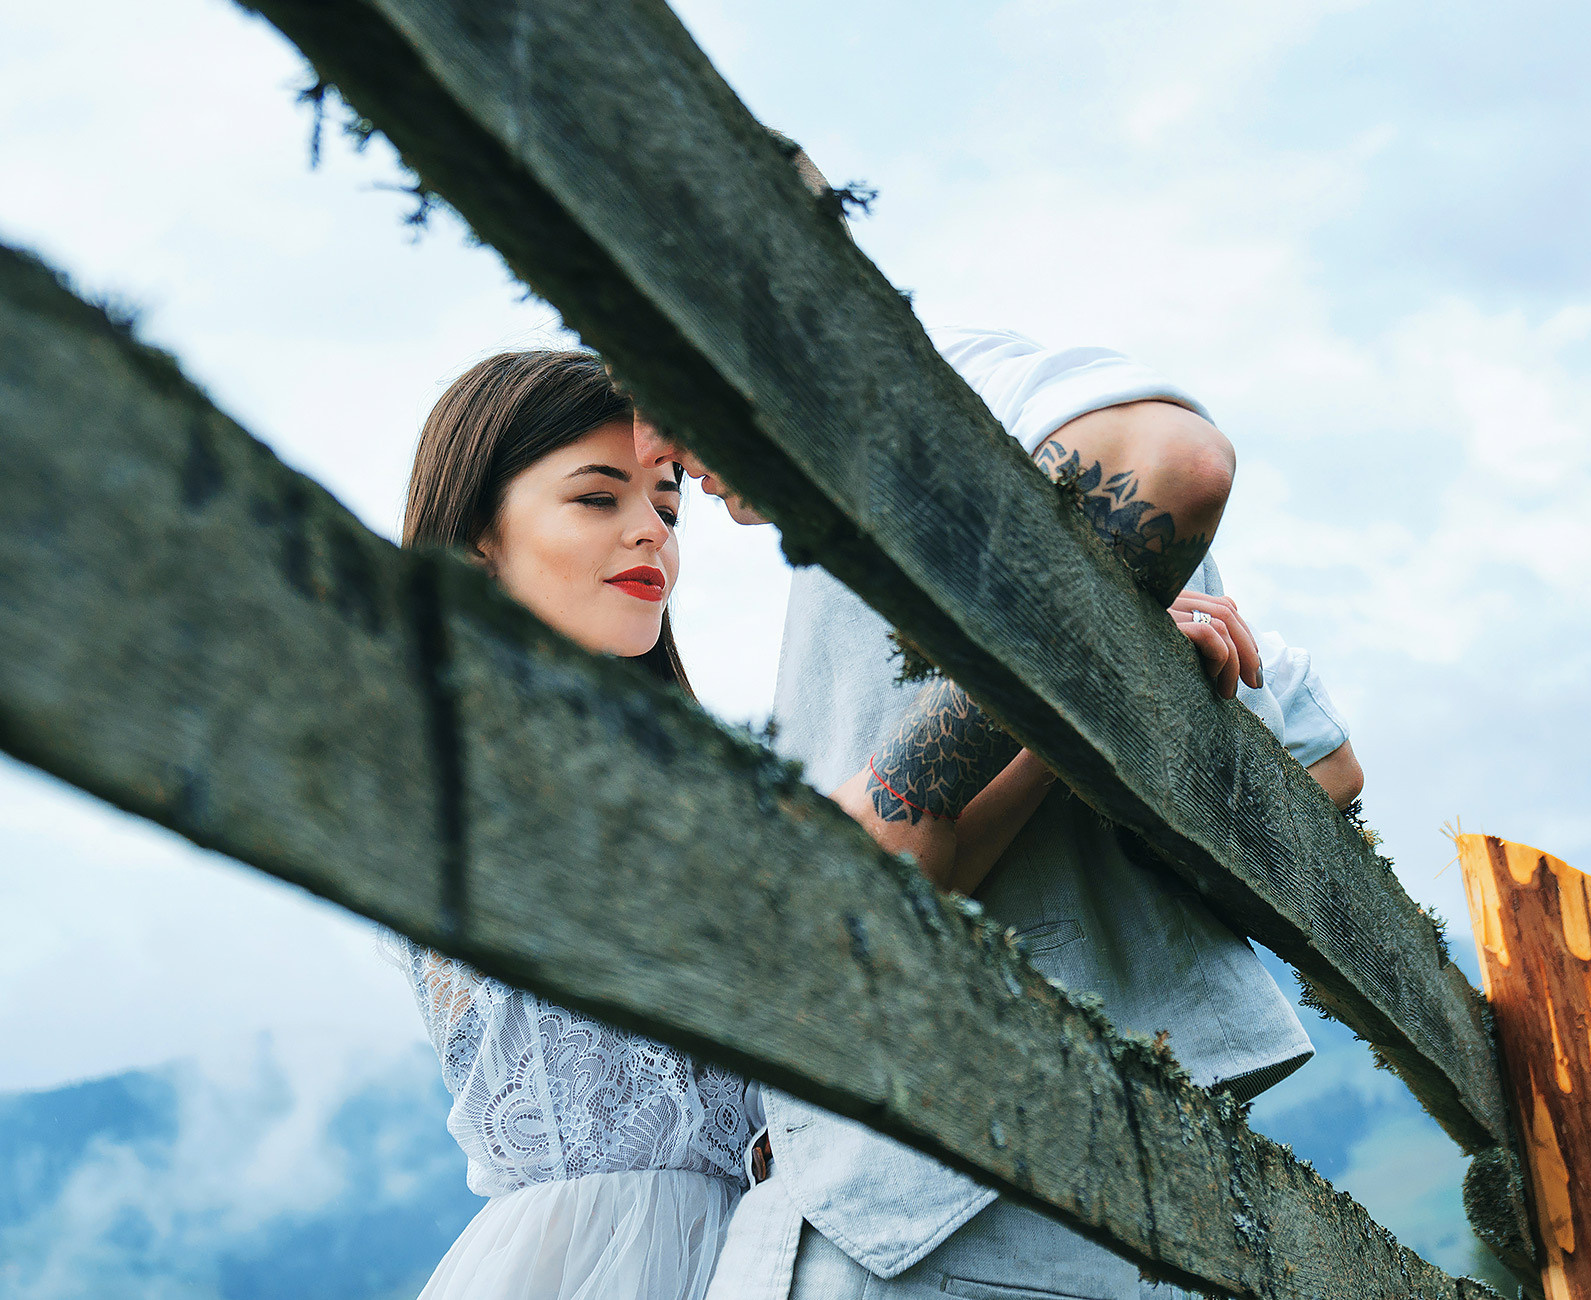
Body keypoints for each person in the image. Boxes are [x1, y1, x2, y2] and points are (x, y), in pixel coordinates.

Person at [630, 153, 1362, 1300]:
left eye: (656, 361)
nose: (668, 446)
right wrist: (1099, 689)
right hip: (1052, 1186)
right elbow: (1320, 764)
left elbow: (1171, 461)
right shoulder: (932, 516)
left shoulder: (926, 416)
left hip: (951, 1202)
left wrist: (900, 793)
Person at [389, 350, 758, 1300]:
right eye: (600, 499)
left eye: (670, 509)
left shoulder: (684, 777)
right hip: (587, 1266)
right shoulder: (469, 769)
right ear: (478, 537)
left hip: (763, 1252)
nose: (652, 534)